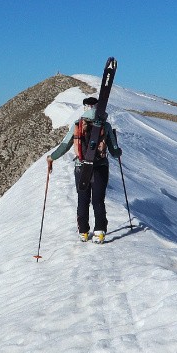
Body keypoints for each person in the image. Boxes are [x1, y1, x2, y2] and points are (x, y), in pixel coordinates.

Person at [47, 96, 122, 243]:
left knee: (83, 200)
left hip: (81, 167)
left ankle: (83, 231)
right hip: (100, 167)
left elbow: (64, 146)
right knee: (98, 200)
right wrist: (118, 151)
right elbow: (114, 152)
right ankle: (99, 232)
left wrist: (51, 158)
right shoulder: (105, 126)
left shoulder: (77, 125)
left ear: (85, 107)